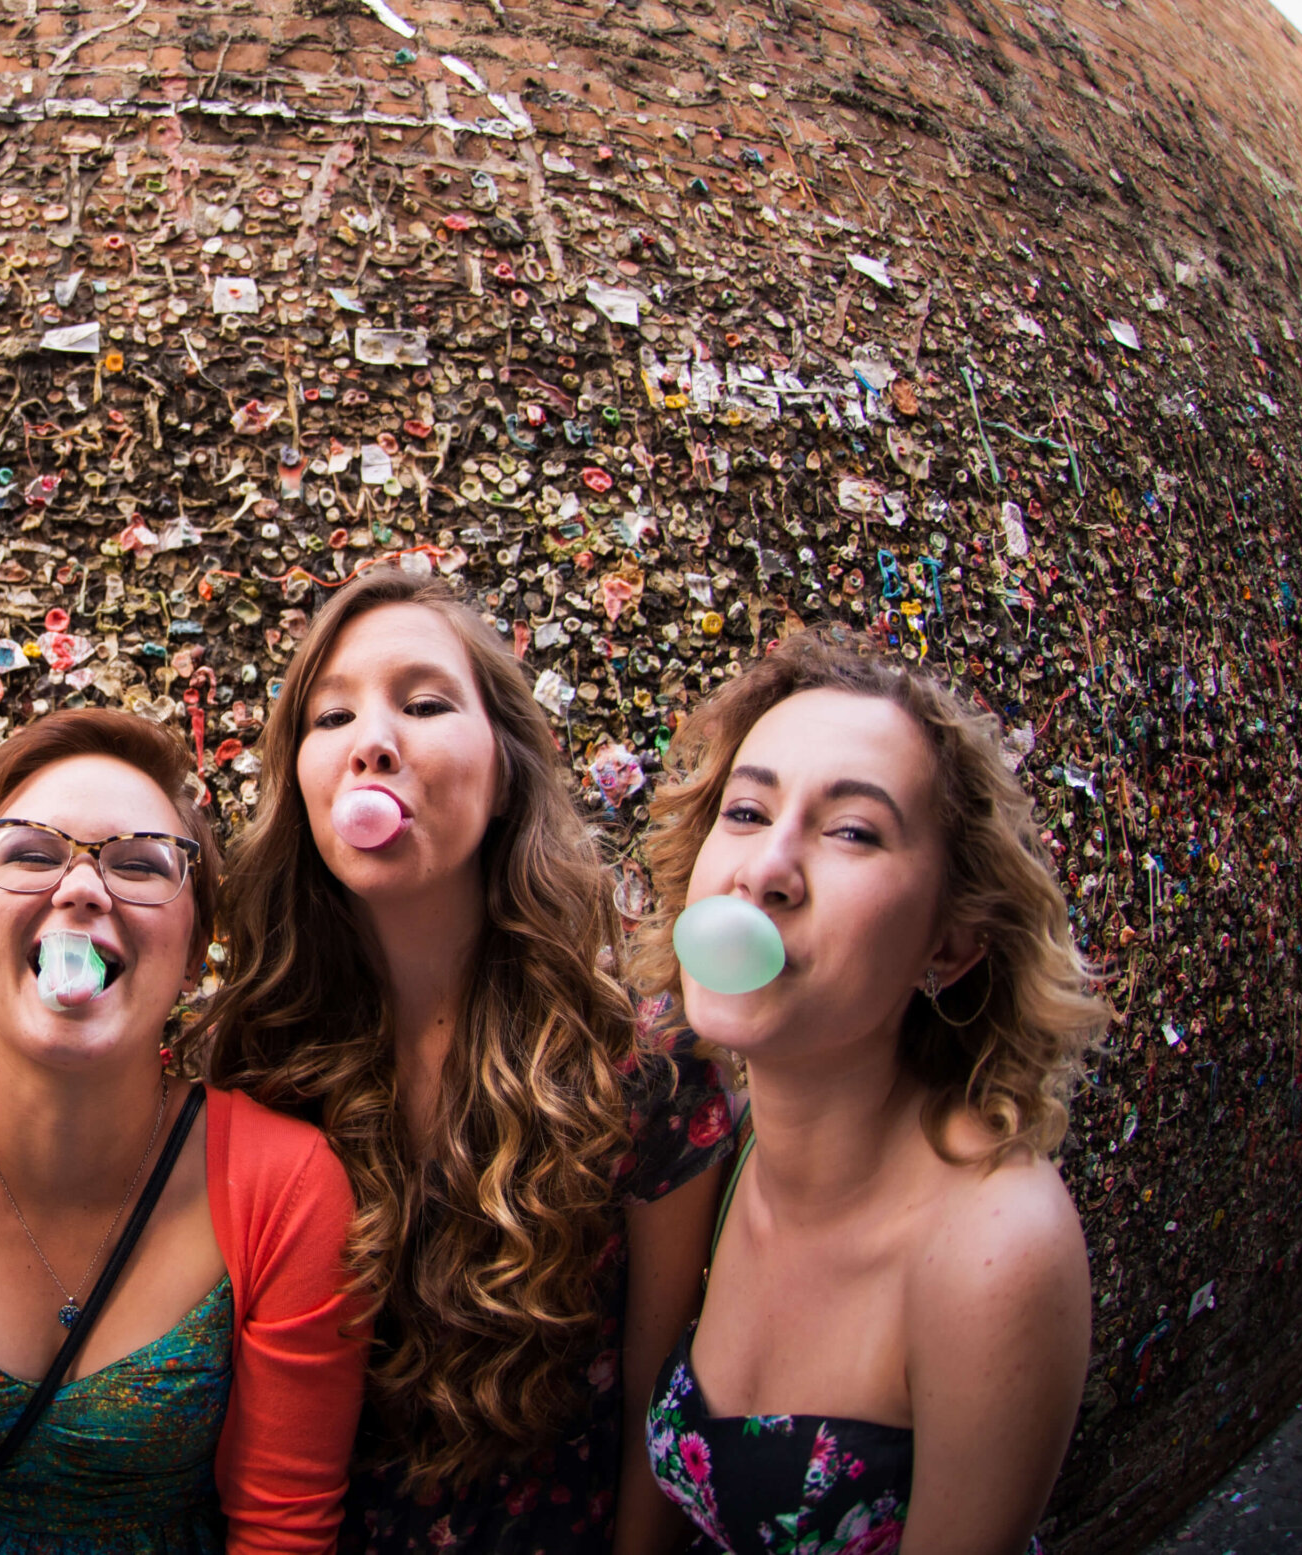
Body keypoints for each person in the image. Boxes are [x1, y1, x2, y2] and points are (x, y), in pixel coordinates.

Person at [203, 566, 737, 1555]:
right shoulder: (250, 1066)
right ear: (300, 786)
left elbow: (663, 1402)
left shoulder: (647, 1072)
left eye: (422, 702)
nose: (372, 741)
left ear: (504, 776)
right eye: (330, 717)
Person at [0, 707, 365, 1554]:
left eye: (138, 864)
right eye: (29, 853)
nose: (82, 887)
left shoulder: (288, 1186)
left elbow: (284, 1532)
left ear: (196, 940)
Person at [633, 629, 1108, 1553]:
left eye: (852, 829)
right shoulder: (731, 1148)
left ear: (951, 941)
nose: (764, 871)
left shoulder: (995, 1248)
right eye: (745, 811)